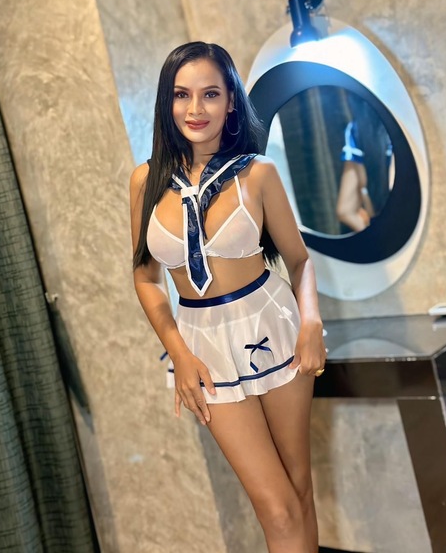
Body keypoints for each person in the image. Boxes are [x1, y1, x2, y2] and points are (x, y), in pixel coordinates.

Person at [130, 41, 326, 553]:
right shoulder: (145, 181)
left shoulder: (257, 173)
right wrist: (178, 352)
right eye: (182, 95)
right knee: (274, 505)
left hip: (272, 326)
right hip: (202, 345)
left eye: (210, 94)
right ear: (167, 101)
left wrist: (311, 324)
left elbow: (299, 261)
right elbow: (146, 278)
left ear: (231, 101)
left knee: (297, 491)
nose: (195, 109)